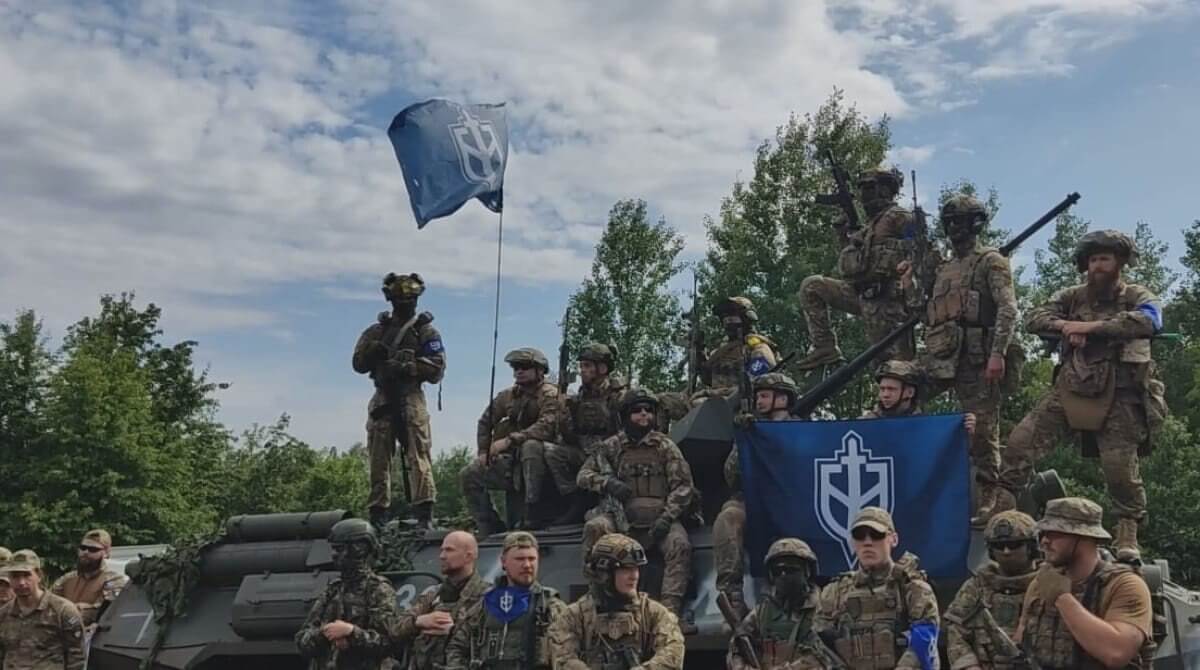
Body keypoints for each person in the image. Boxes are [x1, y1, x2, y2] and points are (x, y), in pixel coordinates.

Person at [995, 231, 1166, 559]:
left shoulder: (1135, 294)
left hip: (1120, 392)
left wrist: (1090, 329)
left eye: (1105, 259)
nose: (1098, 266)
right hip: (1072, 386)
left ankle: (1127, 532)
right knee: (1019, 443)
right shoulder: (1073, 296)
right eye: (1093, 260)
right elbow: (1035, 317)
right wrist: (1064, 327)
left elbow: (1150, 320)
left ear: (1119, 263)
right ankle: (1003, 512)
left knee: (1120, 469)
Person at [907, 194, 1020, 527]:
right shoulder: (942, 267)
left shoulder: (990, 261)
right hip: (941, 353)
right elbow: (920, 309)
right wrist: (911, 277)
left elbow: (1008, 308)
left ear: (976, 224)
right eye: (951, 221)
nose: (956, 227)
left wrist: (998, 353)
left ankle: (989, 494)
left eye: (962, 221)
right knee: (902, 397)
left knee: (984, 430)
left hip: (977, 356)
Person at [577, 389, 697, 631]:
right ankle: (599, 602)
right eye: (637, 411)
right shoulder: (611, 447)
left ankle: (669, 615)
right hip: (619, 517)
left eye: (648, 410)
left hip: (660, 517)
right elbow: (583, 475)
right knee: (595, 527)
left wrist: (667, 517)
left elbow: (684, 486)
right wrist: (607, 483)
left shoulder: (665, 446)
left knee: (680, 545)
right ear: (625, 416)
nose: (643, 415)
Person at [797, 166, 916, 370]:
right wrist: (844, 235)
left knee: (894, 369)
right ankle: (825, 347)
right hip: (861, 295)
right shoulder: (869, 227)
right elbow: (854, 266)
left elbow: (921, 250)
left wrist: (912, 288)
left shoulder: (899, 217)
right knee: (812, 286)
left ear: (886, 190)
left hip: (888, 302)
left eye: (870, 187)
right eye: (861, 188)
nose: (864, 194)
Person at [1015, 497, 1154, 669]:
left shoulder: (1124, 585)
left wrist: (1062, 598)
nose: (1044, 541)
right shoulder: (1040, 584)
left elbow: (1116, 653)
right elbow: (1022, 639)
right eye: (1043, 534)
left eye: (1055, 533)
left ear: (1084, 537)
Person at [353, 272, 446, 529]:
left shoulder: (425, 331)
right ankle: (378, 514)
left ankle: (424, 513)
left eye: (410, 298)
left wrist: (408, 367)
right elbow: (358, 364)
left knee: (419, 455)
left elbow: (437, 369)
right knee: (378, 458)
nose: (405, 303)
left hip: (411, 396)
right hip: (383, 397)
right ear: (389, 299)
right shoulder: (376, 332)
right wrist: (374, 353)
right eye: (398, 298)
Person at [715, 372, 800, 620]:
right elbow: (730, 476)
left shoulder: (802, 430)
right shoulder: (750, 429)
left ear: (782, 398)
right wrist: (744, 442)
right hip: (750, 499)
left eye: (764, 396)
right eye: (758, 396)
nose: (759, 402)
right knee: (728, 518)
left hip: (789, 501)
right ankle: (732, 596)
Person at [816, 507, 941, 669]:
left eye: (876, 535)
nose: (867, 542)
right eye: (859, 536)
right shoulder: (834, 592)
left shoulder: (913, 588)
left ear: (893, 539)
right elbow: (818, 643)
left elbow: (923, 643)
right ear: (853, 543)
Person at [461, 347, 563, 533]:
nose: (519, 371)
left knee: (530, 446)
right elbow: (485, 421)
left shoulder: (551, 395)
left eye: (524, 367)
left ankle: (532, 513)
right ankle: (489, 524)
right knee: (471, 473)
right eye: (515, 367)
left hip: (544, 463)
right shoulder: (508, 396)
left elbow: (546, 427)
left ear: (540, 370)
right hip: (512, 461)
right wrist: (483, 451)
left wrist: (509, 441)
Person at [549, 533, 684, 669]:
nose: (634, 576)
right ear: (604, 574)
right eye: (626, 569)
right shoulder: (573, 617)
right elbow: (563, 659)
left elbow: (672, 654)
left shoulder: (653, 613)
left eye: (636, 568)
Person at [445, 532, 566, 670]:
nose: (527, 565)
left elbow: (568, 653)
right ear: (503, 562)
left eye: (532, 559)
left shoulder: (549, 605)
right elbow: (457, 647)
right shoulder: (484, 604)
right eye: (519, 559)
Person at [295, 519, 401, 670]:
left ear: (359, 549)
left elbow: (390, 643)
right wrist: (325, 633)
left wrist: (352, 633)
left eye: (339, 549)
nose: (334, 555)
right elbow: (301, 641)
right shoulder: (333, 590)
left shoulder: (378, 590)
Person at [944, 511, 1039, 670]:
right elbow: (955, 630)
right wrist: (970, 666)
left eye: (1014, 544)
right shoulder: (977, 586)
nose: (1006, 551)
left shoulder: (1047, 586)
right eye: (999, 546)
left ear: (1031, 547)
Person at [729, 538, 839, 669]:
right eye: (777, 571)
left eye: (791, 569)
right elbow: (736, 651)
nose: (783, 575)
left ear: (807, 571)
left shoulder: (825, 609)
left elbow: (829, 657)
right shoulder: (761, 614)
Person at [393, 531, 488, 670]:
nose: (442, 556)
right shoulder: (434, 594)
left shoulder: (487, 597)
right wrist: (419, 622)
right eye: (442, 550)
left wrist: (454, 628)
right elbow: (395, 629)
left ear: (469, 556)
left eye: (449, 550)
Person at [555, 342, 626, 525]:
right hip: (583, 451)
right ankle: (575, 500)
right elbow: (569, 436)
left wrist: (607, 445)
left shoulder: (619, 395)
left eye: (587, 366)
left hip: (611, 455)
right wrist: (562, 413)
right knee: (551, 451)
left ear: (602, 368)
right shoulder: (578, 398)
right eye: (581, 366)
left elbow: (628, 431)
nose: (581, 371)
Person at [0, 550, 85, 670]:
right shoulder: (4, 614)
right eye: (15, 576)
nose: (21, 582)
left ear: (39, 575)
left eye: (26, 575)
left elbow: (76, 657)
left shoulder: (62, 611)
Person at [693, 297, 778, 402]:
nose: (728, 319)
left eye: (732, 314)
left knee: (699, 402)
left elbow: (757, 383)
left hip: (740, 403)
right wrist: (699, 353)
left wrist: (716, 394)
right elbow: (708, 380)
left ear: (747, 317)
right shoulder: (719, 353)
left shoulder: (758, 348)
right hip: (715, 401)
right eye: (724, 316)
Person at [861, 360, 977, 436]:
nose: (885, 395)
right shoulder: (865, 424)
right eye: (882, 389)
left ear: (910, 392)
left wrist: (965, 433)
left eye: (891, 389)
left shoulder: (926, 427)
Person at [50, 530, 129, 628]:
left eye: (93, 549)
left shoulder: (114, 580)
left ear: (106, 553)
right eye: (83, 548)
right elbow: (49, 602)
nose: (86, 552)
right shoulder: (68, 578)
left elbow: (103, 612)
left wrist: (73, 610)